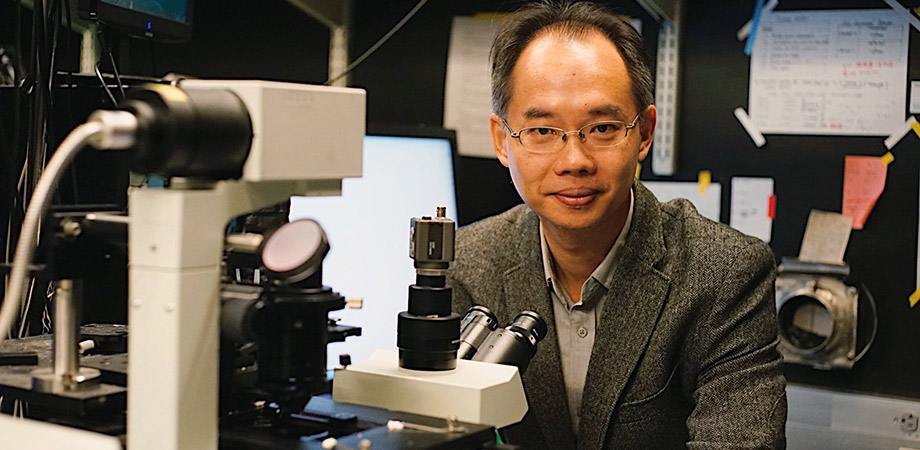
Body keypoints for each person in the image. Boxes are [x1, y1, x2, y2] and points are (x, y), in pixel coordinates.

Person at [445, 1, 787, 449]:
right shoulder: (468, 264)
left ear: (644, 132)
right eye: (543, 132)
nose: (574, 161)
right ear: (502, 141)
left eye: (603, 128)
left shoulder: (725, 274)